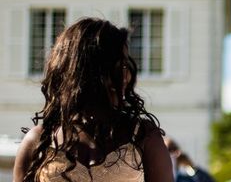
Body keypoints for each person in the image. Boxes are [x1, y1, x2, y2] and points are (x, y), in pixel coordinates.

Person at [13, 17, 173, 182]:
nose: (126, 76)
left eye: (126, 65)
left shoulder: (144, 137)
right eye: (117, 66)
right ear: (81, 72)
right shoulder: (38, 141)